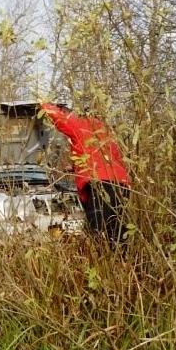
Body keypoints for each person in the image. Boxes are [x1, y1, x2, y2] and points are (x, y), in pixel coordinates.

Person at [40, 102, 131, 244]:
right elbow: (110, 157)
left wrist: (43, 104)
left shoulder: (81, 124)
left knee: (98, 232)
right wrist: (77, 168)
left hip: (101, 185)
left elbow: (61, 120)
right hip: (122, 185)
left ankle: (102, 261)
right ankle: (124, 261)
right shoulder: (105, 130)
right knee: (117, 229)